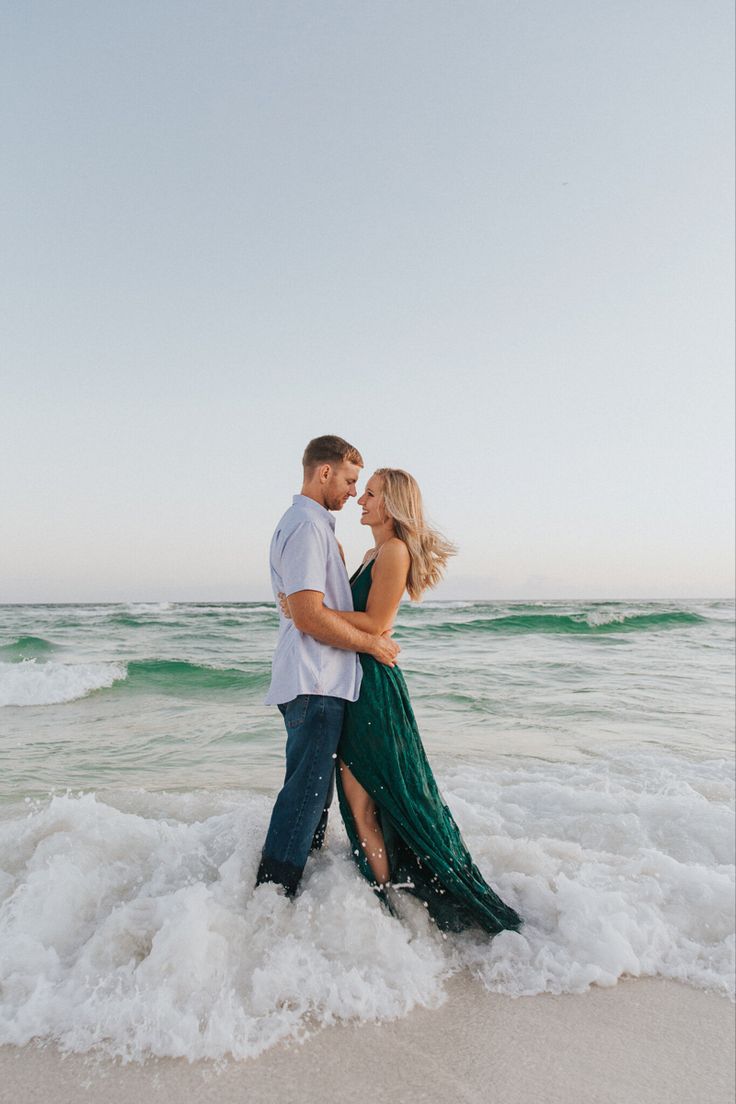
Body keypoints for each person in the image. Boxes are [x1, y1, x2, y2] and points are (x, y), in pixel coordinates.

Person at [280, 467, 521, 934]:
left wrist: (310, 611)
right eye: (361, 491)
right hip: (355, 681)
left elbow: (374, 625)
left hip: (373, 688)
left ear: (392, 505)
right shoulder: (374, 551)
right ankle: (383, 901)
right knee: (360, 798)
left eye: (369, 494)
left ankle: (385, 910)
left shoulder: (394, 552)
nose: (360, 500)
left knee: (365, 797)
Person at [255, 436, 400, 898]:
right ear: (324, 472)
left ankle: (295, 894)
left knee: (314, 799)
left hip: (319, 680)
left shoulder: (315, 529)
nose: (354, 493)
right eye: (350, 480)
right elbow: (308, 615)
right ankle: (273, 896)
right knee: (306, 796)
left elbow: (310, 609)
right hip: (315, 681)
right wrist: (372, 645)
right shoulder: (306, 527)